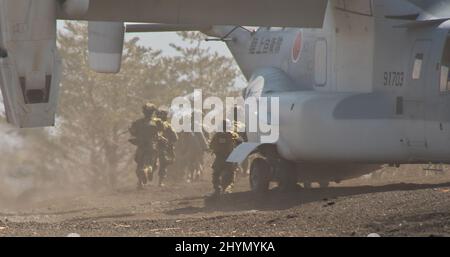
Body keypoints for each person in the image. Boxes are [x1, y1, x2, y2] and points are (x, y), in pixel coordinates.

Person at [129, 103, 159, 190]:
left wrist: (130, 130)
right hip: (151, 147)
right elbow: (159, 134)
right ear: (152, 112)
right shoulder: (156, 123)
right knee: (152, 164)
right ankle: (146, 172)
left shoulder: (137, 123)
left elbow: (133, 133)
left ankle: (140, 183)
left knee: (140, 164)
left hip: (141, 146)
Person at [209, 120, 242, 197]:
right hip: (230, 158)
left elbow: (211, 146)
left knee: (216, 174)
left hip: (219, 158)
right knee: (231, 175)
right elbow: (240, 143)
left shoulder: (217, 135)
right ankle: (227, 189)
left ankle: (217, 189)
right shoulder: (233, 135)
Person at [155, 109, 178, 187]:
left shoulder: (152, 124)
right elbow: (175, 137)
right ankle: (160, 182)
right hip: (163, 147)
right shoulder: (168, 125)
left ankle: (141, 181)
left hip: (151, 146)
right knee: (163, 164)